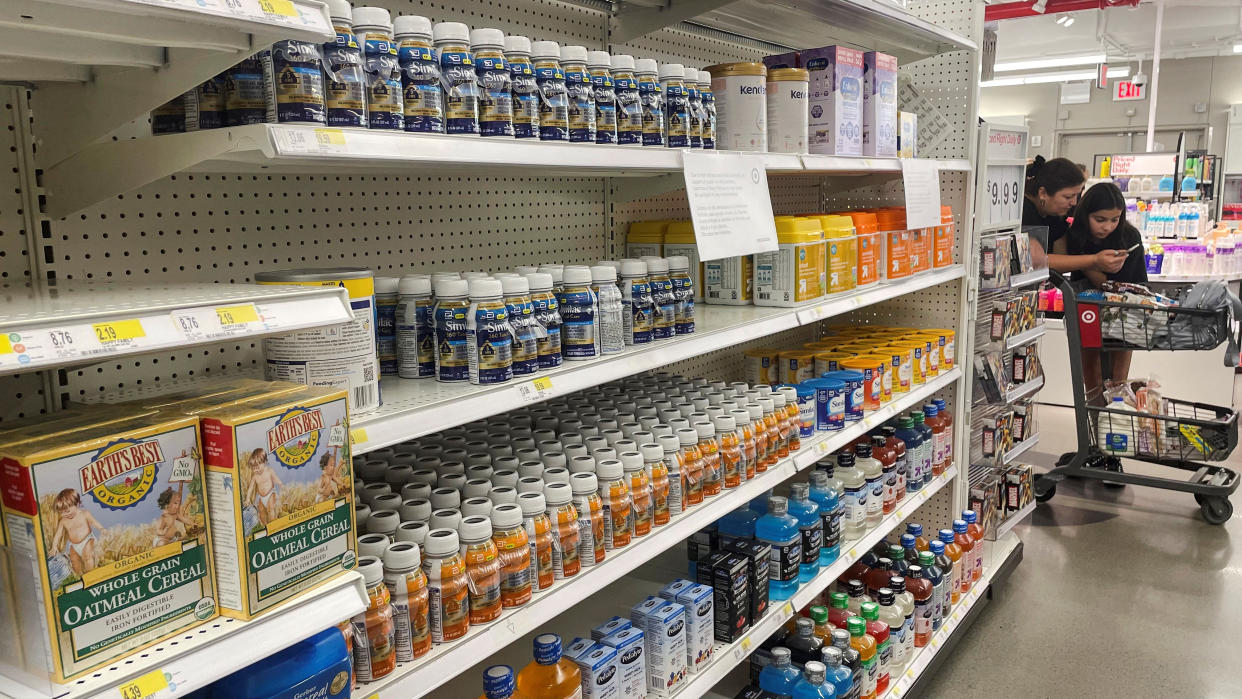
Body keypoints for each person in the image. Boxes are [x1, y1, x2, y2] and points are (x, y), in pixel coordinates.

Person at [1053, 182, 1147, 403]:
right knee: (1092, 380)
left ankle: (1118, 404)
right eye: (1100, 219)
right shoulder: (1073, 236)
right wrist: (1090, 263)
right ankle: (1095, 411)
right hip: (1087, 310)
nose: (1107, 227)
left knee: (1119, 380)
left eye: (1115, 220)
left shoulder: (1129, 237)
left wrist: (1092, 269)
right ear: (1086, 214)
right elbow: (1057, 263)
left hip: (1125, 311)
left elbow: (1134, 289)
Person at [1024, 156, 1126, 278]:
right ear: (1043, 193)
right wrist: (1094, 260)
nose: (1074, 203)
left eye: (1076, 195)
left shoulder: (1056, 216)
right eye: (1068, 197)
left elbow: (1061, 259)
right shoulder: (1024, 212)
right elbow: (1037, 261)